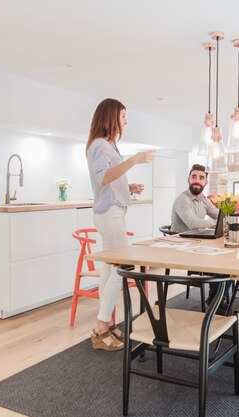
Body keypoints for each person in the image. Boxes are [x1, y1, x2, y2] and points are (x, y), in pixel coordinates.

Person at [86, 98, 154, 351]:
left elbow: (110, 178)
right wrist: (135, 160)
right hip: (109, 214)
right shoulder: (101, 145)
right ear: (111, 117)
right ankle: (101, 326)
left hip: (113, 211)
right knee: (120, 267)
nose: (126, 121)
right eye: (123, 116)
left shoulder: (108, 145)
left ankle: (107, 323)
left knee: (109, 269)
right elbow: (103, 177)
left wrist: (127, 186)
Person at [171, 164, 231, 314]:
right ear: (188, 179)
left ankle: (216, 297)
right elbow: (194, 224)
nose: (197, 180)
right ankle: (217, 298)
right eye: (194, 177)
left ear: (205, 182)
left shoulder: (204, 199)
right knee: (222, 262)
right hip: (180, 248)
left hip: (197, 243)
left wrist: (231, 216)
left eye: (201, 178)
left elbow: (219, 215)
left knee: (229, 259)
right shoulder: (182, 200)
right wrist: (218, 224)